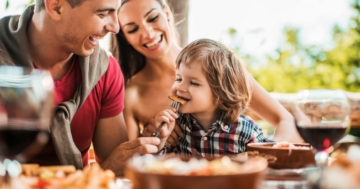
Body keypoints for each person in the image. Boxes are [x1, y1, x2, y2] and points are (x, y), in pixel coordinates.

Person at [0, 0, 161, 176]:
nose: (115, 28)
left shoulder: (105, 71)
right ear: (56, 7)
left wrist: (154, 142)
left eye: (116, 12)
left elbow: (119, 169)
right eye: (102, 14)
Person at [112, 0, 303, 146]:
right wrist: (153, 137)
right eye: (133, 29)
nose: (147, 33)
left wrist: (270, 157)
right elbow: (129, 162)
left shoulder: (216, 65)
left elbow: (284, 120)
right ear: (126, 38)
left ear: (167, 13)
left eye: (153, 18)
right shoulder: (132, 94)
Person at [146, 38, 274, 155]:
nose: (180, 87)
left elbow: (269, 157)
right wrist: (161, 139)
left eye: (194, 83)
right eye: (179, 79)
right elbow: (154, 167)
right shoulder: (176, 127)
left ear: (220, 94)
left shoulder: (244, 129)